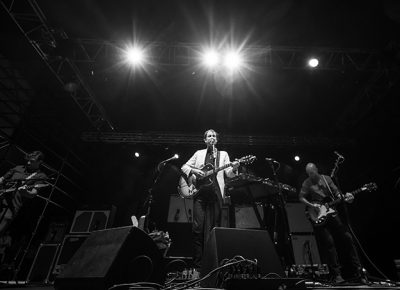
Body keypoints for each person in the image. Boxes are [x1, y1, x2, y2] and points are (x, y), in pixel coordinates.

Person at [181, 129, 239, 273]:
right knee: (197, 229)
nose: (211, 138)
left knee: (213, 229)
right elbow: (184, 166)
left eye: (214, 136)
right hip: (199, 195)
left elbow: (229, 174)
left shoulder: (223, 154)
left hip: (215, 194)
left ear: (216, 140)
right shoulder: (198, 153)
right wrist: (194, 171)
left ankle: (212, 264)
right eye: (209, 136)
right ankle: (198, 266)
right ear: (205, 140)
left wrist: (235, 167)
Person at [299, 162, 363, 284]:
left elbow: (336, 193)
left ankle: (359, 271)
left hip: (332, 212)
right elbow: (301, 197)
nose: (311, 175)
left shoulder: (326, 179)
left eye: (313, 172)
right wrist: (312, 205)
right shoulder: (306, 183)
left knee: (348, 238)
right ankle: (336, 275)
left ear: (317, 169)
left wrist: (343, 197)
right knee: (329, 243)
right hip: (319, 215)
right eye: (309, 174)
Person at [0, 151, 48, 235]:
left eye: (32, 161)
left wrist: (25, 192)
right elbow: (2, 179)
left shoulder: (41, 176)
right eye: (28, 160)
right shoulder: (18, 168)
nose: (28, 162)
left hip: (11, 207)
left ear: (40, 162)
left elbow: (33, 194)